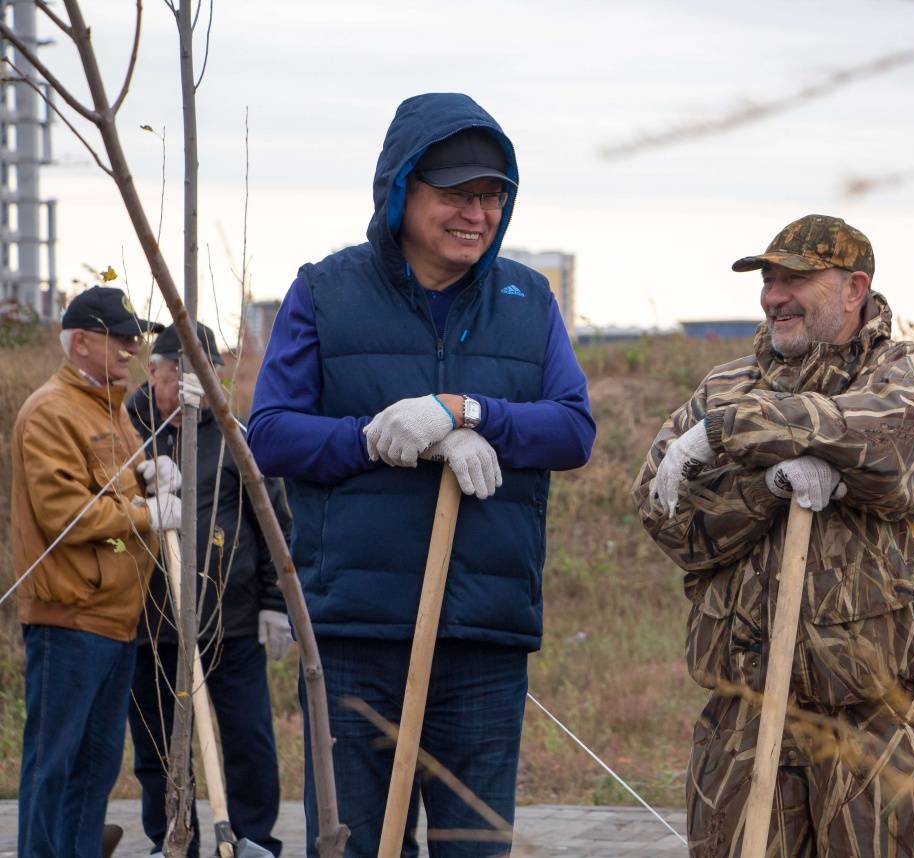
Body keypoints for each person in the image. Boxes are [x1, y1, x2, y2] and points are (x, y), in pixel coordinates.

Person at [247, 93, 595, 855]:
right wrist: (377, 439)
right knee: (359, 845)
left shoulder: (527, 301)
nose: (478, 214)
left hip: (481, 633)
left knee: (474, 846)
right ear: (402, 191)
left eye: (492, 195)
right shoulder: (326, 293)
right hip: (354, 635)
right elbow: (269, 434)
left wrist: (468, 412)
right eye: (456, 195)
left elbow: (573, 428)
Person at [633, 215, 914, 857]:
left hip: (876, 713)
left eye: (796, 279)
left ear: (853, 288)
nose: (774, 295)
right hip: (744, 715)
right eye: (769, 279)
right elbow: (666, 511)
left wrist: (734, 432)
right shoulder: (725, 385)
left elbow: (892, 452)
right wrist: (767, 489)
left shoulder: (909, 375)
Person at [11, 285, 172, 858]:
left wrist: (152, 473)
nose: (133, 348)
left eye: (136, 338)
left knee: (94, 770)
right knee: (54, 766)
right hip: (69, 619)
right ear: (80, 341)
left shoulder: (108, 407)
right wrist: (144, 512)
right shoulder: (51, 412)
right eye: (120, 338)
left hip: (114, 621)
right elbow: (64, 513)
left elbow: (111, 485)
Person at [125, 321, 291, 856]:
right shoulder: (124, 432)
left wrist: (274, 603)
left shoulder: (235, 436)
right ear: (154, 371)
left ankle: (252, 838)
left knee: (247, 740)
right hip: (151, 621)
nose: (194, 386)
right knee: (160, 746)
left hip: (232, 619)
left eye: (205, 373)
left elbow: (273, 523)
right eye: (181, 374)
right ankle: (173, 840)